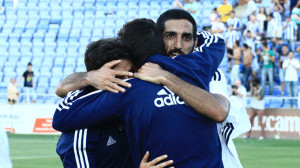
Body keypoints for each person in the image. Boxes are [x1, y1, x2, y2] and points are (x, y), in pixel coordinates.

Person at [53, 9, 227, 167]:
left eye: (185, 37)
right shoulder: (199, 66)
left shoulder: (127, 88)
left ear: (132, 60)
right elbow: (216, 40)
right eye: (170, 36)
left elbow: (61, 115)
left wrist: (90, 77)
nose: (178, 44)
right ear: (161, 41)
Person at [56, 37, 173, 168]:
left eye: (130, 74)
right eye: (119, 77)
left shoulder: (133, 106)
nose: (130, 83)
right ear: (98, 78)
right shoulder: (79, 128)